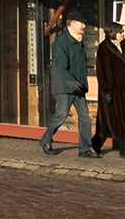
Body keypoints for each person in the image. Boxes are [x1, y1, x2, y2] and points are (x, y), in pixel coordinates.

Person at [42, 15, 97, 158]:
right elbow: (61, 67)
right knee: (61, 115)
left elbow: (79, 66)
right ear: (72, 23)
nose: (84, 26)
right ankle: (46, 139)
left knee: (85, 117)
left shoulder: (78, 41)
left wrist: (81, 85)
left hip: (77, 86)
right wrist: (74, 84)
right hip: (64, 87)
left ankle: (84, 149)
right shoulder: (61, 42)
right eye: (82, 23)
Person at [95, 22, 125, 158]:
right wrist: (107, 92)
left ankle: (121, 150)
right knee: (111, 122)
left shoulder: (122, 46)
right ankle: (97, 146)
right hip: (111, 91)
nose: (123, 35)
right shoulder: (103, 48)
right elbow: (101, 72)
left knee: (121, 120)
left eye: (123, 32)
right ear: (112, 33)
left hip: (122, 90)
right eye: (121, 32)